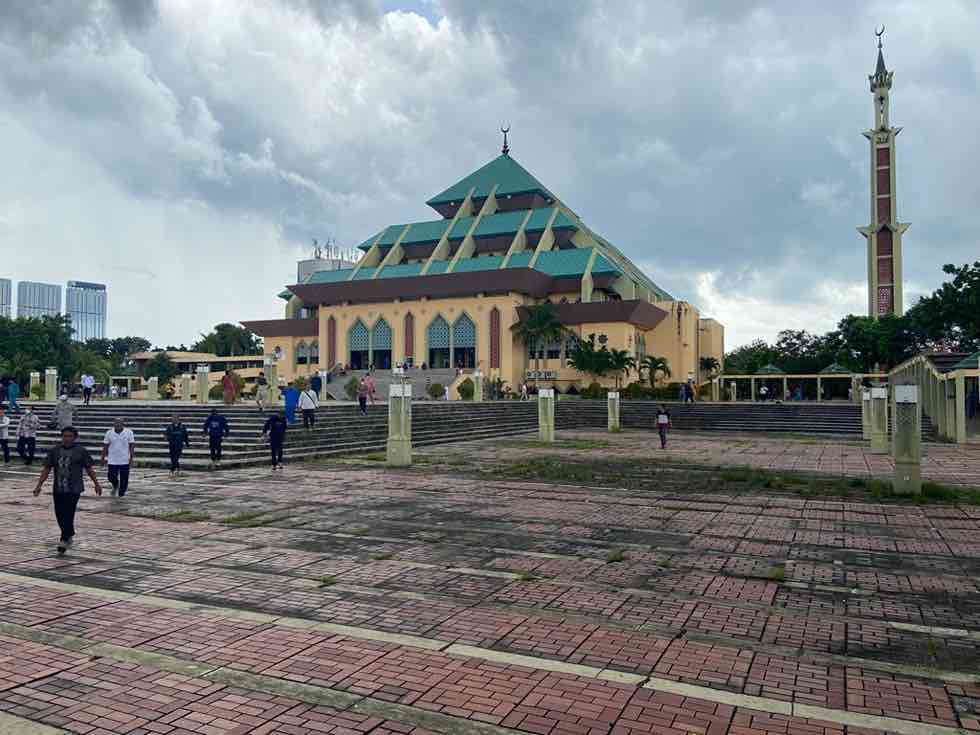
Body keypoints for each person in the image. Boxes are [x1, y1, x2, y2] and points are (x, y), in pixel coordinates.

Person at [34, 427, 103, 555]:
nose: (67, 439)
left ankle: (64, 539)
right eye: (64, 436)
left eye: (70, 436)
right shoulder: (55, 451)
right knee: (59, 514)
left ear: (75, 437)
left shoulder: (81, 451)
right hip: (58, 488)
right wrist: (39, 485)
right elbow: (46, 469)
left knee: (68, 513)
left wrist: (96, 484)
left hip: (74, 489)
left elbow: (89, 469)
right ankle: (69, 533)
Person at [102, 418, 136, 497]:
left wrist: (131, 457)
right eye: (116, 423)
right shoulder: (109, 433)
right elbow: (105, 445)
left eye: (119, 423)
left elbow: (132, 445)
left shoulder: (129, 432)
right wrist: (103, 457)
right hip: (112, 459)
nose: (117, 424)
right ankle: (115, 484)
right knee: (111, 476)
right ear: (113, 424)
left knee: (124, 479)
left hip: (125, 459)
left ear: (123, 424)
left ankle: (121, 493)